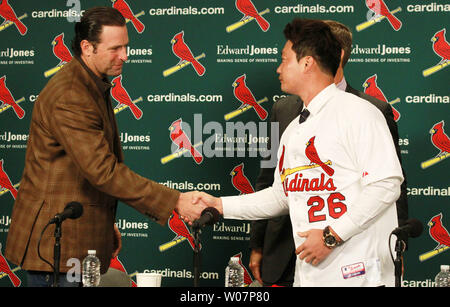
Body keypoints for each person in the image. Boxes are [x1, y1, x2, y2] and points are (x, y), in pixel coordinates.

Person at [4, 7, 205, 287]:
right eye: (115, 48)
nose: (124, 55)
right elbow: (102, 170)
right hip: (58, 248)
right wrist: (175, 201)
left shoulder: (90, 83)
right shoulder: (71, 94)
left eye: (126, 46)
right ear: (87, 47)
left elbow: (80, 169)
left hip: (77, 239)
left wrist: (102, 221)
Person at [195, 18, 403, 287]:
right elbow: (282, 196)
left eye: (284, 59)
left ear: (307, 63)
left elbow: (386, 184)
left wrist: (332, 235)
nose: (279, 68)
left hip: (359, 276)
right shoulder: (295, 127)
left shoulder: (360, 113)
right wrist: (219, 205)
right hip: (312, 275)